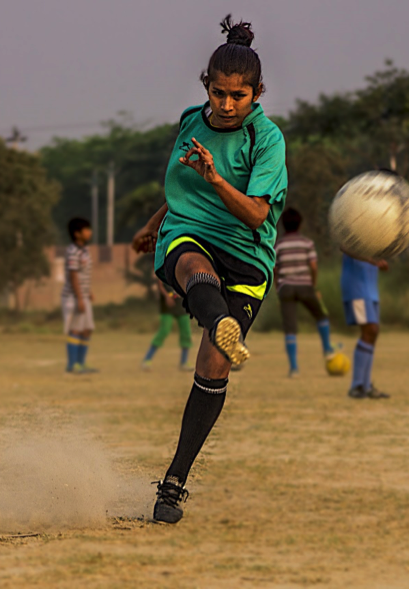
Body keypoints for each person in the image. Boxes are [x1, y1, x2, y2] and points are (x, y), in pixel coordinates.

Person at [131, 15, 287, 524]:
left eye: (237, 96)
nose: (225, 105)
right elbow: (182, 188)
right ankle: (217, 315)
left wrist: (217, 179)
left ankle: (173, 482)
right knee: (191, 262)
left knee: (214, 367)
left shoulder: (267, 140)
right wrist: (155, 223)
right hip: (189, 233)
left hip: (245, 251)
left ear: (257, 92)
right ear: (207, 85)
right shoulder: (190, 120)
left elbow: (258, 213)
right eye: (218, 93)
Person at [341, 225, 409, 399]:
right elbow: (344, 246)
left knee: (372, 333)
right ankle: (357, 386)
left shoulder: (374, 224)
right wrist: (371, 260)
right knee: (370, 330)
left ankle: (365, 386)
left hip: (369, 287)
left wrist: (405, 236)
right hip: (356, 287)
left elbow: (388, 243)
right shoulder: (352, 219)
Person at [274, 207, 335, 377]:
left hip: (285, 287)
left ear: (283, 225)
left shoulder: (279, 244)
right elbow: (313, 266)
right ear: (300, 224)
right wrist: (314, 286)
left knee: (290, 329)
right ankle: (327, 349)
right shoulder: (307, 243)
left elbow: (275, 269)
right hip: (305, 286)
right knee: (321, 315)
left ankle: (294, 368)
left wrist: (277, 288)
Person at [62, 217, 97, 374]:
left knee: (87, 329)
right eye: (86, 230)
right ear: (77, 234)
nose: (90, 232)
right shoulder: (72, 251)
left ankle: (81, 363)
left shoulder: (85, 250)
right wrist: (79, 298)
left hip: (83, 294)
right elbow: (73, 275)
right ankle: (72, 364)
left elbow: (84, 274)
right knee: (75, 329)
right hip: (73, 297)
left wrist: (88, 292)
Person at [142, 278, 195, 372]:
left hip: (181, 307)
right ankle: (147, 360)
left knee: (186, 333)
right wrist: (167, 297)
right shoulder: (164, 267)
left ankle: (184, 362)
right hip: (167, 307)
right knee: (164, 331)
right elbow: (160, 284)